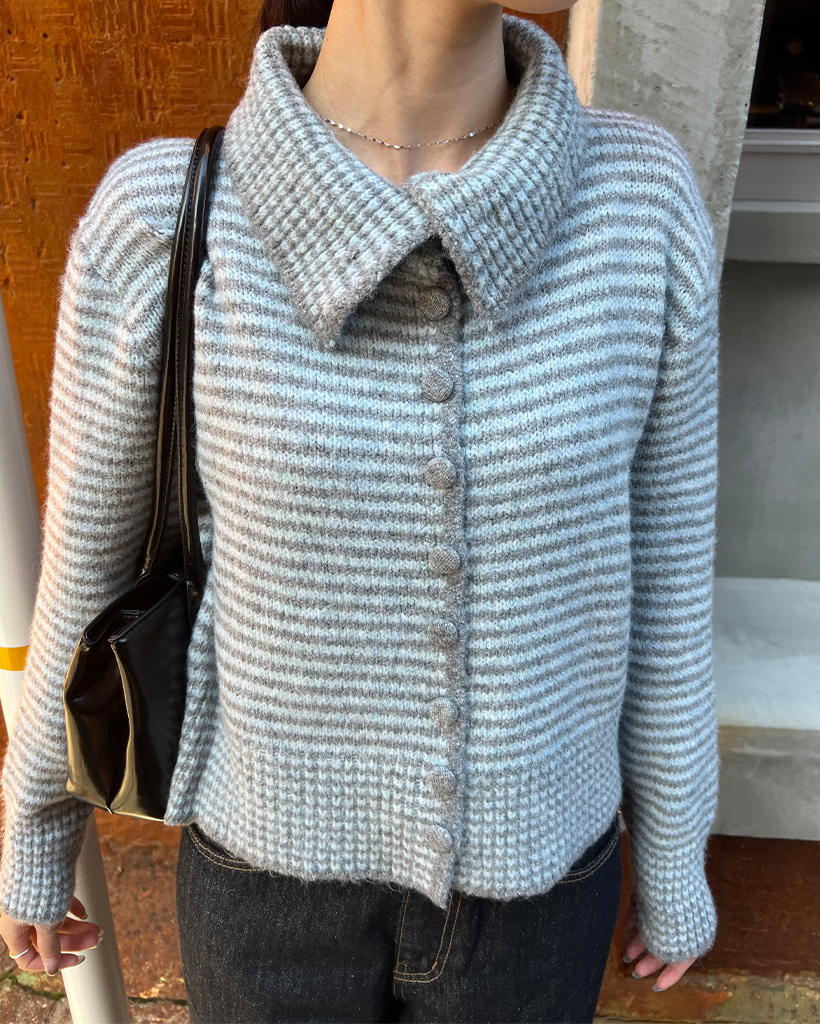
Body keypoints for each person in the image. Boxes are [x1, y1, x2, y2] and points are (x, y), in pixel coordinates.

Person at [0, 0, 723, 1020]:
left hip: (542, 898)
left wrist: (677, 847)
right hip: (263, 896)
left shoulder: (639, 201)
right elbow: (88, 567)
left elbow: (668, 578)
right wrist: (37, 827)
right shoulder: (165, 215)